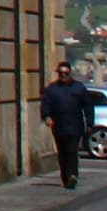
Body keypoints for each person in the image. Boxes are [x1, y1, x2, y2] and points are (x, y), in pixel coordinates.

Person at [39, 58, 95, 189]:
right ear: (58, 74)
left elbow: (88, 106)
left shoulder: (79, 88)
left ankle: (72, 175)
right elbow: (45, 105)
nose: (63, 75)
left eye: (66, 73)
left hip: (75, 126)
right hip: (59, 126)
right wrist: (47, 117)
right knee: (62, 153)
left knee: (72, 151)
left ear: (70, 73)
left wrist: (90, 122)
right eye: (61, 73)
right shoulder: (51, 89)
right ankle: (65, 176)